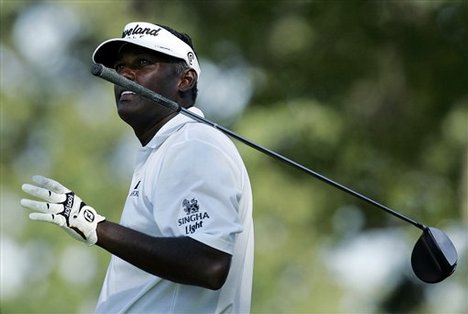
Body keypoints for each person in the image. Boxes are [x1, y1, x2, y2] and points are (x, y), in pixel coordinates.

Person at [20, 21, 254, 314]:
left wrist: (96, 227)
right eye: (120, 68)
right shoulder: (165, 149)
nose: (125, 75)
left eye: (143, 63)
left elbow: (209, 264)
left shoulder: (193, 143)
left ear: (186, 80)